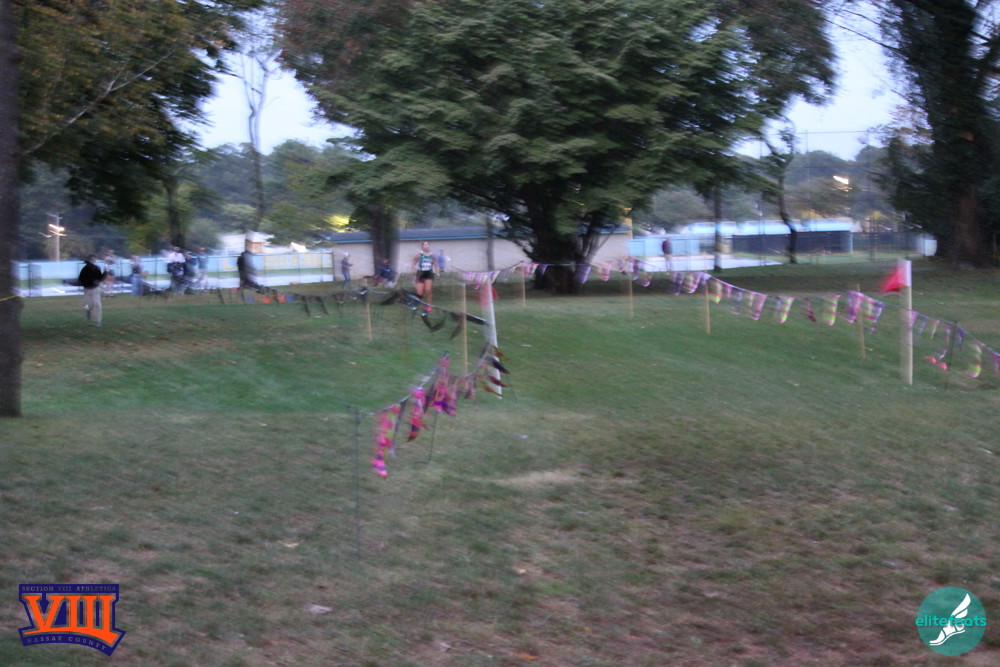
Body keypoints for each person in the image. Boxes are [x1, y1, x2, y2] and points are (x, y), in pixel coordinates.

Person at [78, 255, 106, 326]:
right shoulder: (84, 270)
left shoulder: (96, 268)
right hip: (87, 289)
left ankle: (98, 321)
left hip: (95, 289)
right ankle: (88, 309)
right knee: (90, 305)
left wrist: (105, 272)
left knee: (97, 304)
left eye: (94, 260)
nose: (93, 261)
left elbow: (100, 278)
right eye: (92, 260)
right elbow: (81, 279)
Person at [412, 241, 439, 307]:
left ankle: (428, 306)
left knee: (428, 290)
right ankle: (416, 306)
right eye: (425, 245)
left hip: (428, 274)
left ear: (429, 246)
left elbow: (436, 265)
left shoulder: (432, 256)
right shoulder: (419, 255)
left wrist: (437, 272)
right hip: (420, 274)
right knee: (419, 293)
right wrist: (414, 268)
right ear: (422, 247)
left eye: (427, 245)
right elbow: (413, 263)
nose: (426, 246)